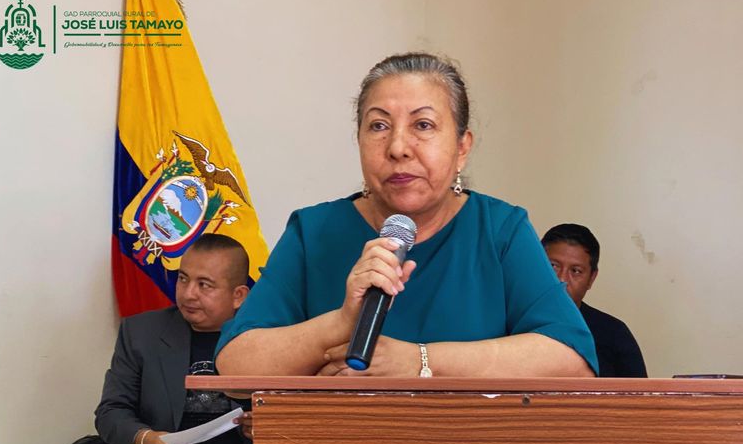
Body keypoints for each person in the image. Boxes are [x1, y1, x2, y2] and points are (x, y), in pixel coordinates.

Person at [215, 52, 598, 378]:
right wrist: (342, 322)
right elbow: (235, 367)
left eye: (423, 125)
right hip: (338, 442)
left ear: (462, 147)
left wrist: (418, 361)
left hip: (469, 443)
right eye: (379, 126)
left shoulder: (500, 230)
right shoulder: (313, 232)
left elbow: (571, 360)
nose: (398, 147)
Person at [87, 234, 256, 444]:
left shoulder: (266, 339)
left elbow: (298, 414)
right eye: (183, 279)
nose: (189, 293)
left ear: (238, 295)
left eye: (205, 285)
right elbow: (111, 411)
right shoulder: (141, 333)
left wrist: (267, 426)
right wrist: (144, 440)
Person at [541, 223, 648, 378]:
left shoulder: (614, 334)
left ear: (591, 278)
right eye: (553, 266)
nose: (562, 279)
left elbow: (640, 393)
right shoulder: (511, 324)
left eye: (576, 271)